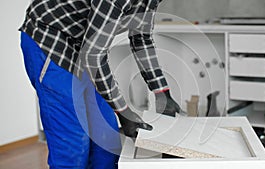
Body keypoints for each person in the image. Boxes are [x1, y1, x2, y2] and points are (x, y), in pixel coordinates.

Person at [19, 0, 184, 168]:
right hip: (51, 41)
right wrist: (124, 112)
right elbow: (94, 55)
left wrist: (162, 92)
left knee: (106, 141)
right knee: (73, 147)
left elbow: (141, 37)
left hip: (83, 47)